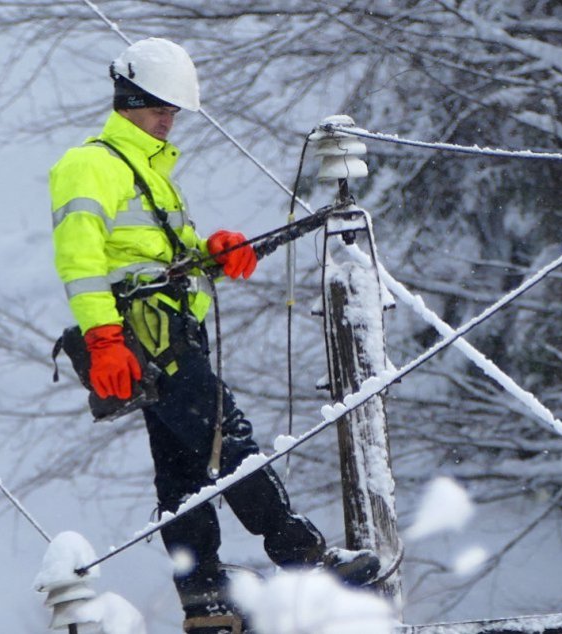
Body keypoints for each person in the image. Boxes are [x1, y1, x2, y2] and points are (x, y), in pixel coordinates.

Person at [48, 38, 379, 633]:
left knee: (182, 469)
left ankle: (203, 592)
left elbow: (149, 253)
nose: (167, 119)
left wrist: (212, 253)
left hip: (171, 328)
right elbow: (81, 260)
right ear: (127, 101)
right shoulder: (90, 163)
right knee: (227, 438)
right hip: (145, 334)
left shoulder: (148, 169)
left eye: (173, 110)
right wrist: (102, 338)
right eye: (158, 108)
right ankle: (302, 557)